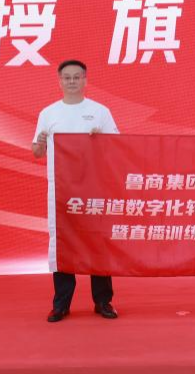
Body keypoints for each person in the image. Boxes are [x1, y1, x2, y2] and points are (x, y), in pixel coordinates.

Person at [32, 59, 120, 323]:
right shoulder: (48, 113)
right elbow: (37, 152)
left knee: (97, 243)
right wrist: (41, 141)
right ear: (60, 81)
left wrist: (100, 139)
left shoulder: (100, 111)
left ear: (85, 80)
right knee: (63, 243)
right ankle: (61, 304)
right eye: (67, 77)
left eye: (77, 77)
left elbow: (117, 147)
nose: (72, 81)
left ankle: (103, 301)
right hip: (62, 190)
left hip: (94, 187)